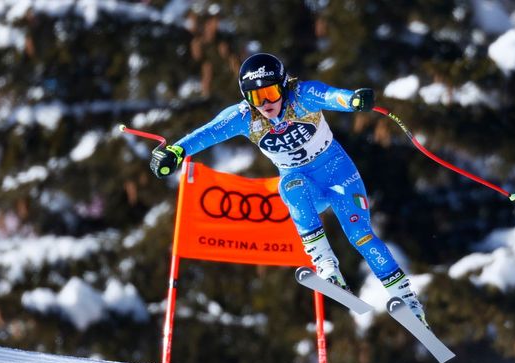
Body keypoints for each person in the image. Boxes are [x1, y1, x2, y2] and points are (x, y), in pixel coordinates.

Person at [150, 53, 428, 327]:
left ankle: (407, 299)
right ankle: (327, 265)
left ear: (283, 85)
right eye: (256, 97)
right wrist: (176, 151)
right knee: (290, 184)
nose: (266, 103)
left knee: (360, 235)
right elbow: (207, 132)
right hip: (305, 189)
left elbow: (332, 96)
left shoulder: (302, 96)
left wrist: (353, 100)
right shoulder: (245, 117)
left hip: (339, 177)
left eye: (271, 92)